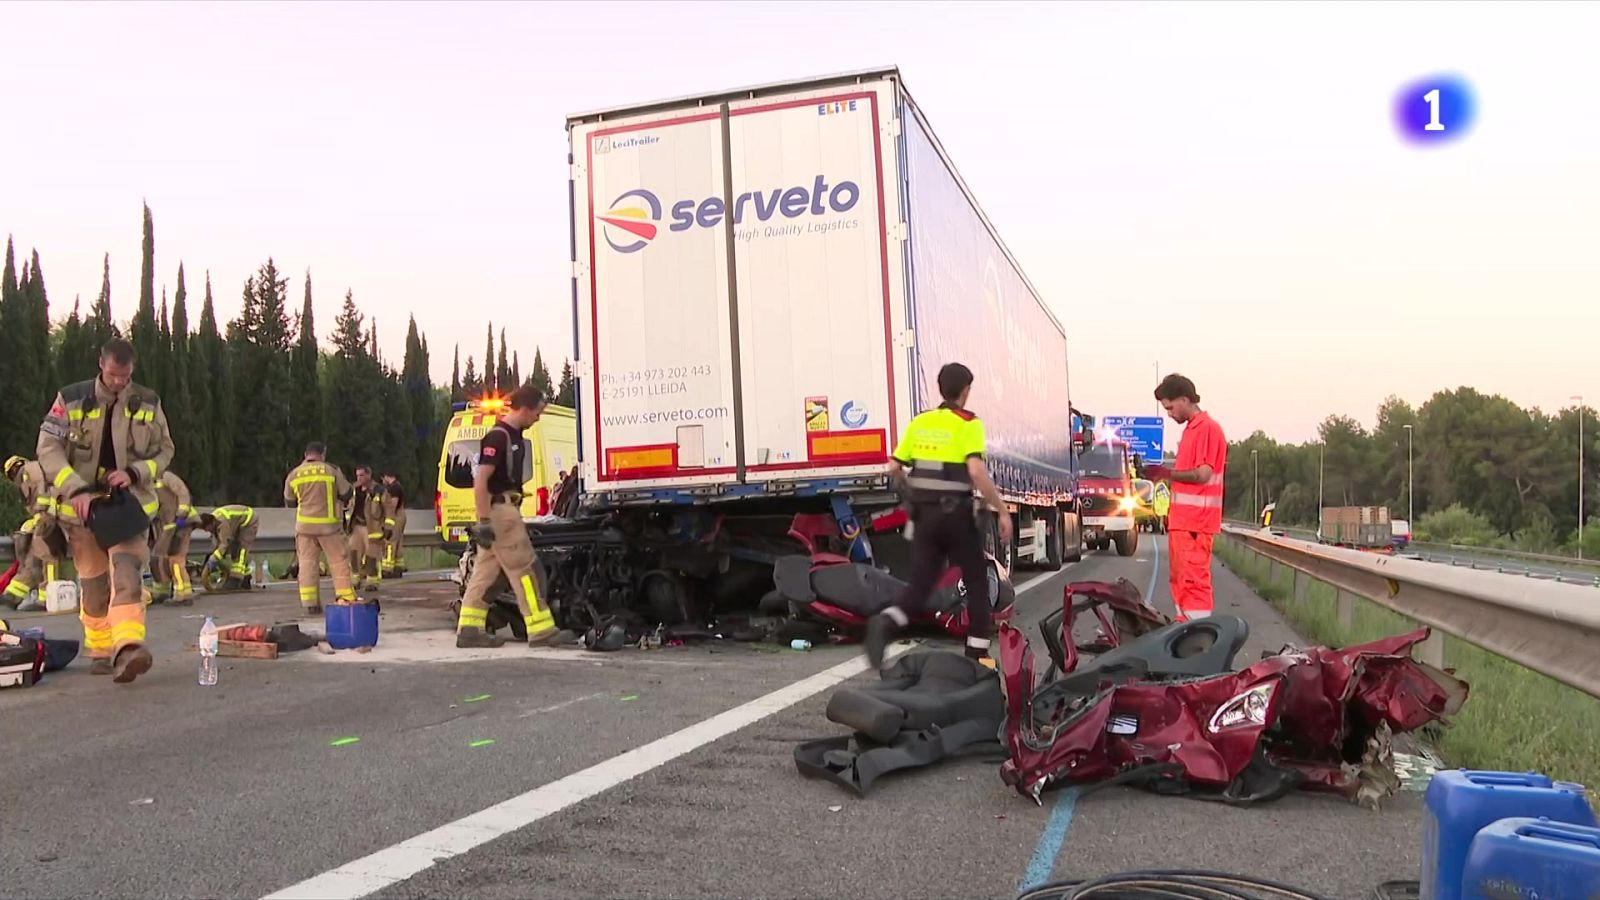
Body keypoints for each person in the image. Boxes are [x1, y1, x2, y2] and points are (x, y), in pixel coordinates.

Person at [35, 338, 174, 682]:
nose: (118, 383)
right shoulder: (70, 399)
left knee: (127, 572)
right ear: (102, 364)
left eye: (125, 377)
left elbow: (165, 451)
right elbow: (48, 449)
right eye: (113, 375)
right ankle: (99, 649)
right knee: (94, 583)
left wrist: (135, 473)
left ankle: (128, 647)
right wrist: (75, 489)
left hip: (129, 506)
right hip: (82, 510)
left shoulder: (148, 402)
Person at [864, 362, 1013, 669]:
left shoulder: (920, 423)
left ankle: (886, 623)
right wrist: (1001, 509)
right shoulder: (968, 423)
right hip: (956, 516)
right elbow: (976, 471)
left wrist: (913, 494)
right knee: (976, 582)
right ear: (966, 391)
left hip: (925, 517)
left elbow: (894, 466)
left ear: (940, 388)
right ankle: (977, 654)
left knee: (921, 584)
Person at [457, 384, 572, 649]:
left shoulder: (513, 436)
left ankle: (470, 629)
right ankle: (541, 630)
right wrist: (484, 521)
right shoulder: (499, 437)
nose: (538, 418)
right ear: (524, 408)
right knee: (526, 569)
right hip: (501, 513)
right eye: (537, 412)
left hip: (503, 511)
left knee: (487, 575)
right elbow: (481, 480)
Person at [1143, 374, 1227, 622]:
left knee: (1193, 583)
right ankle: (1185, 631)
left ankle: (1197, 638)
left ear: (1184, 399)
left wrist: (1167, 474)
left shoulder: (1207, 429)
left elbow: (1202, 474)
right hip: (1184, 524)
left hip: (1196, 524)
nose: (1169, 414)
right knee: (1181, 582)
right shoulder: (1192, 430)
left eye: (1170, 407)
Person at [284, 442, 357, 613]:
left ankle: (310, 604)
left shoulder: (294, 474)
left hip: (304, 527)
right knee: (338, 561)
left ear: (306, 455)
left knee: (307, 564)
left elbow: (289, 501)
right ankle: (345, 598)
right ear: (322, 454)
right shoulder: (331, 470)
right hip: (328, 527)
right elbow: (347, 493)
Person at [3, 455, 62, 611]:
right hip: (46, 519)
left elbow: (42, 492)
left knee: (48, 558)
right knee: (33, 559)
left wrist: (42, 515)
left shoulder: (29, 470)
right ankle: (13, 594)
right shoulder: (27, 474)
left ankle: (46, 598)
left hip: (50, 519)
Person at [149, 470, 198, 605]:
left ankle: (183, 595)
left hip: (181, 522)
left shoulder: (165, 476)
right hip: (165, 526)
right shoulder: (142, 483)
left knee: (175, 559)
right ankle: (162, 591)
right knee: (158, 558)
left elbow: (183, 493)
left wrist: (181, 514)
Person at [344, 465, 384, 591]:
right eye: (357, 475)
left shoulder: (378, 490)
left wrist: (386, 526)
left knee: (371, 556)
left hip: (371, 527)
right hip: (356, 525)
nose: (359, 478)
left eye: (361, 475)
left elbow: (387, 508)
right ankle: (355, 579)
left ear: (368, 475)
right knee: (353, 552)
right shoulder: (354, 489)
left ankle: (372, 581)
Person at [199, 504, 258, 583]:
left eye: (206, 528)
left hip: (248, 520)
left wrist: (214, 559)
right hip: (236, 522)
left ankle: (236, 579)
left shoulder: (222, 523)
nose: (206, 531)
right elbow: (218, 545)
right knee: (232, 550)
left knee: (241, 551)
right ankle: (246, 576)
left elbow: (224, 544)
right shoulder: (214, 521)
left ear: (211, 523)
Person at [379, 470, 407, 578]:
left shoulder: (394, 488)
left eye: (383, 479)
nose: (383, 482)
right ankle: (398, 566)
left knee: (391, 541)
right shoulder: (398, 486)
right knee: (398, 542)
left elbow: (392, 505)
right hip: (400, 515)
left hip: (396, 516)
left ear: (386, 476)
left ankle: (388, 568)